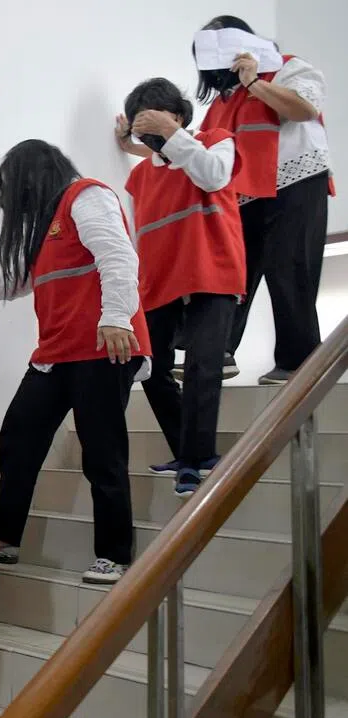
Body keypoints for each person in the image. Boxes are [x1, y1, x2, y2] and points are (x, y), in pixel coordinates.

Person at [0, 139, 151, 585]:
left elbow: (118, 256)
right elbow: (11, 283)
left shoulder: (86, 196)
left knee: (102, 452)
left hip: (102, 347)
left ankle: (115, 554)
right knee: (18, 436)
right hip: (57, 353)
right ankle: (2, 538)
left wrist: (116, 317)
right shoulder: (45, 225)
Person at [192, 15, 334, 384]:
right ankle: (217, 352)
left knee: (289, 269)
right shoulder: (224, 101)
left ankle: (297, 362)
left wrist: (254, 82)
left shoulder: (289, 68)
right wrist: (144, 145)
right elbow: (200, 151)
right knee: (231, 271)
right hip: (245, 193)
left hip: (296, 181)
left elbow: (303, 109)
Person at [124, 77, 246, 496]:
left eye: (159, 123)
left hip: (213, 272)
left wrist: (172, 133)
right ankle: (187, 450)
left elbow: (213, 177)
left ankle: (197, 460)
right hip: (159, 283)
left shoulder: (215, 141)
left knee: (201, 365)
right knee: (151, 370)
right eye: (146, 131)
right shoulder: (139, 177)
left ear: (177, 116)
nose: (154, 137)